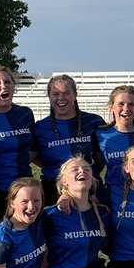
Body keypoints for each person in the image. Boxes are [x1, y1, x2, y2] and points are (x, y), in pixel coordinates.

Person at [32, 74, 104, 205]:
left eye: (66, 93)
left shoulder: (94, 122)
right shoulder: (40, 127)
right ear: (49, 96)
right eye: (55, 94)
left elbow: (101, 156)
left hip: (88, 187)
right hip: (52, 189)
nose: (61, 98)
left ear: (75, 95)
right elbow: (34, 156)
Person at [0, 65, 35, 218]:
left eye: (7, 82)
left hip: (25, 189)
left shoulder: (25, 114)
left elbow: (33, 150)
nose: (3, 86)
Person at [95, 85, 134, 204]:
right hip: (111, 196)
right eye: (121, 104)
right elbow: (96, 167)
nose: (126, 108)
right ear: (112, 106)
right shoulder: (100, 134)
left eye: (131, 104)